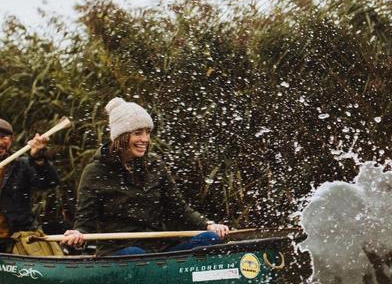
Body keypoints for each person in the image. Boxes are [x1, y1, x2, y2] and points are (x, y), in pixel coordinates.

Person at [62, 98, 229, 255]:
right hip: (120, 251)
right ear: (121, 136)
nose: (145, 139)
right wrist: (78, 235)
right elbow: (85, 223)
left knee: (210, 239)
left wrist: (208, 224)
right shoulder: (95, 172)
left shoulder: (155, 165)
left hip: (158, 248)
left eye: (147, 132)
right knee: (136, 254)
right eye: (138, 133)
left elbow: (179, 208)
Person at [0, 118, 59, 252]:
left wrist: (38, 158)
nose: (0, 142)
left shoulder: (22, 164)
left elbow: (49, 182)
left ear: (11, 139)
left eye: (4, 137)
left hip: (17, 239)